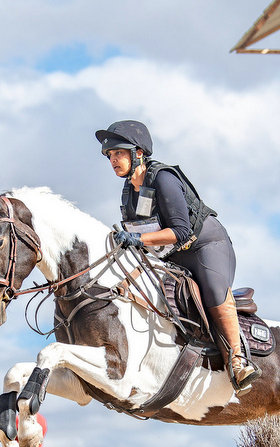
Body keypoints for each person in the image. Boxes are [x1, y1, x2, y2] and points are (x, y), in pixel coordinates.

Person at [96, 120, 260, 394]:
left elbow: (181, 231)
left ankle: (238, 361)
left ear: (138, 153)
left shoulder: (163, 178)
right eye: (110, 156)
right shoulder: (129, 193)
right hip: (173, 257)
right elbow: (141, 240)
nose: (113, 160)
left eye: (118, 153)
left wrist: (137, 240)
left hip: (205, 246)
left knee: (212, 291)